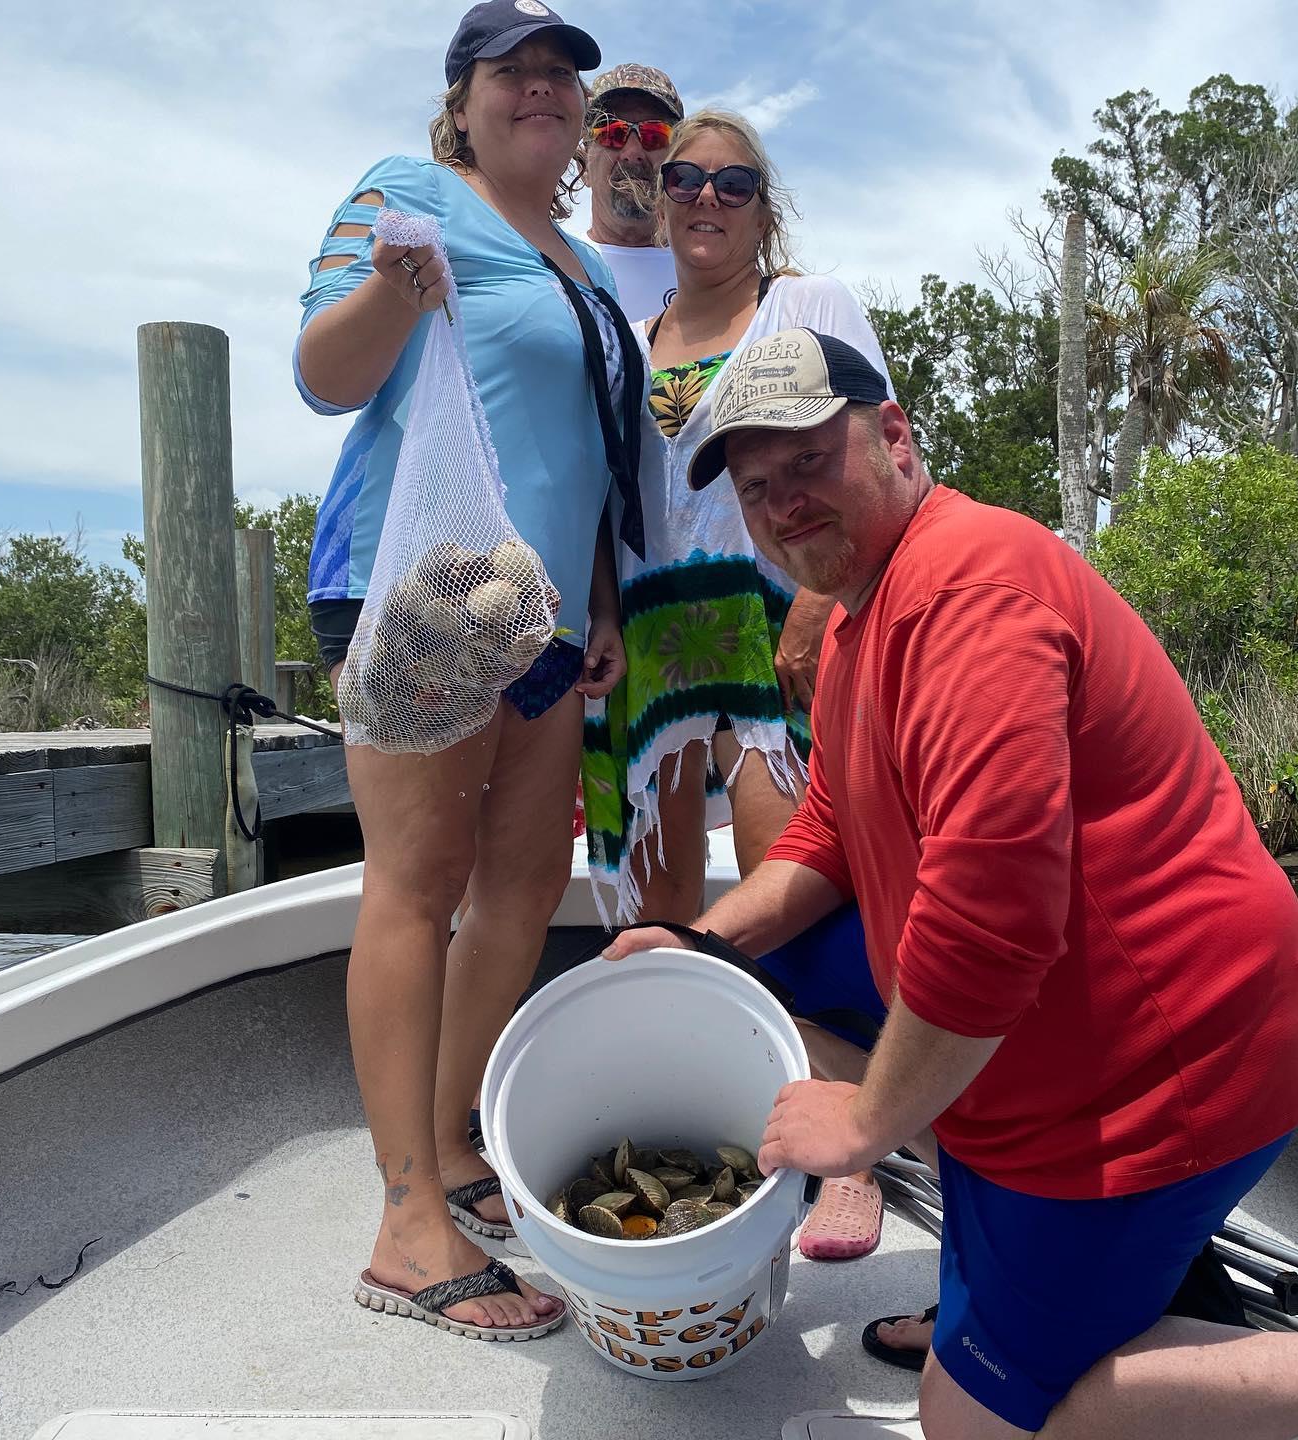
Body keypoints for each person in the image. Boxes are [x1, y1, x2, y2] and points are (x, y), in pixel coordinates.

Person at [604, 329, 1298, 1437]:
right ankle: (1016, 1261)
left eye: (810, 464)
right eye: (757, 489)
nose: (784, 505)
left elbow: (988, 928)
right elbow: (831, 826)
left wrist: (867, 1124)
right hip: (1045, 1037)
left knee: (963, 1420)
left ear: (895, 437)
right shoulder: (855, 625)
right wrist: (700, 947)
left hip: (1159, 1071)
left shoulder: (970, 592)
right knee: (748, 972)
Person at [296, 0, 640, 1343]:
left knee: (523, 886)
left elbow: (592, 450)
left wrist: (602, 598)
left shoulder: (592, 266)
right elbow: (325, 375)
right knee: (420, 885)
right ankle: (402, 1226)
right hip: (423, 586)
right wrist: (396, 283)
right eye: (517, 71)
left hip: (543, 611)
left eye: (564, 74)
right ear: (464, 97)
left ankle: (447, 1146)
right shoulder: (407, 195)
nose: (544, 89)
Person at [583, 111, 890, 959]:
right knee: (657, 911)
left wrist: (817, 609)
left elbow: (883, 461)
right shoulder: (628, 342)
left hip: (770, 625)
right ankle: (678, 1068)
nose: (706, 195)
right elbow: (609, 505)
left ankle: (798, 1064)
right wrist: (603, 617)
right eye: (685, 179)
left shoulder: (805, 304)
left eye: (734, 183)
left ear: (763, 211)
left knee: (786, 878)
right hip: (651, 635)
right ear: (664, 200)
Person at [583, 63, 683, 321]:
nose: (633, 154)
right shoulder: (548, 265)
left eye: (654, 135)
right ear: (584, 164)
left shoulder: (712, 273)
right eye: (612, 134)